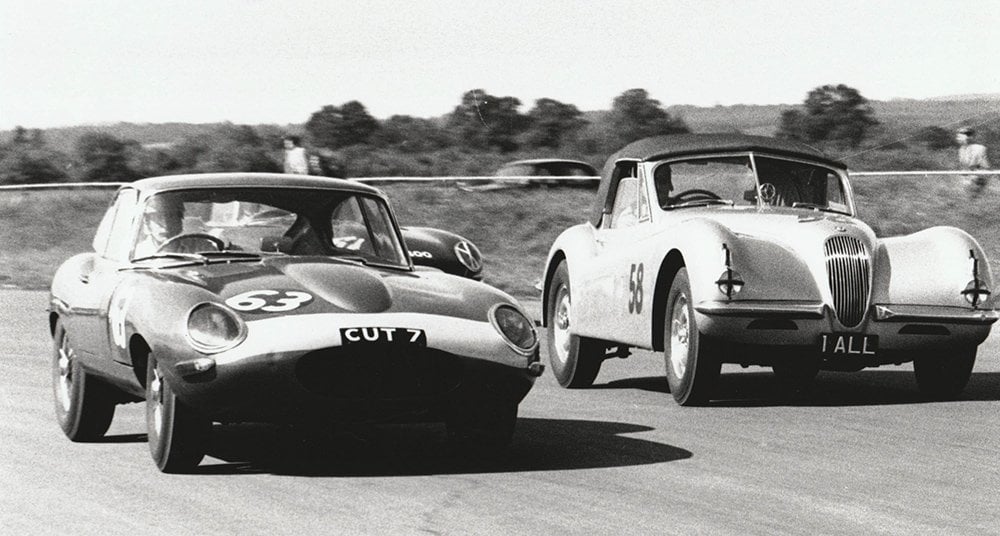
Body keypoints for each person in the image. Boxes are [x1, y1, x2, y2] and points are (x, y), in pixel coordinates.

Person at [956, 127, 991, 196]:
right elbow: (964, 165)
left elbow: (982, 166)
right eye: (958, 137)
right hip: (968, 177)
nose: (957, 138)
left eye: (960, 136)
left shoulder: (979, 148)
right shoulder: (961, 150)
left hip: (979, 176)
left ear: (968, 137)